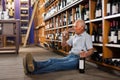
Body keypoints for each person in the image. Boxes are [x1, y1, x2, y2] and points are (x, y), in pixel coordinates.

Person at [23, 20, 94, 74]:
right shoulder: (74, 36)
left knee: (57, 65)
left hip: (77, 60)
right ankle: (34, 64)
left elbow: (91, 50)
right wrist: (64, 36)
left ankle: (33, 71)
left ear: (82, 28)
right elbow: (63, 45)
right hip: (70, 56)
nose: (73, 28)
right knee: (53, 60)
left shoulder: (87, 37)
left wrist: (86, 54)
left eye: (76, 26)